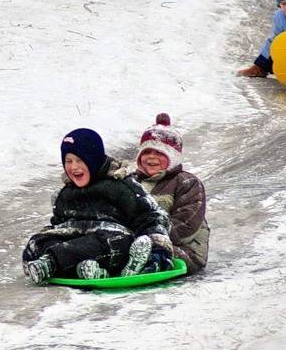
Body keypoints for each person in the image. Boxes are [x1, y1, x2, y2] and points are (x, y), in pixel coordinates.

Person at [22, 128, 174, 284]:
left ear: (93, 159)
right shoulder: (65, 193)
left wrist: (158, 250)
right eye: (69, 161)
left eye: (80, 160)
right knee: (37, 243)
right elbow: (58, 226)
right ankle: (91, 272)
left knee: (116, 241)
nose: (74, 167)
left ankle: (52, 264)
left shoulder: (121, 186)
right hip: (76, 248)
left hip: (109, 246)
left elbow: (150, 218)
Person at [133, 113, 209, 275]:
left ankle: (148, 263)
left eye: (160, 153)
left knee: (153, 247)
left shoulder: (187, 183)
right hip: (138, 242)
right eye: (147, 152)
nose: (152, 157)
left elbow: (186, 226)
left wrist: (147, 235)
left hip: (184, 250)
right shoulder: (131, 182)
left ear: (172, 157)